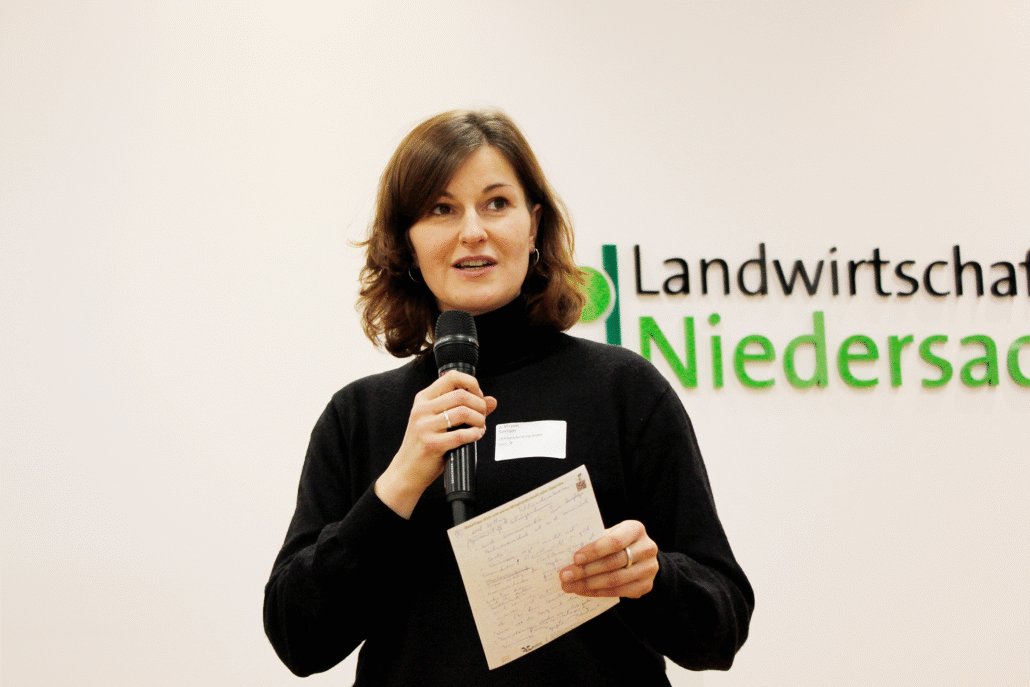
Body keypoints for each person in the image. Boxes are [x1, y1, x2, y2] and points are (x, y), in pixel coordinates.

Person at [263, 109, 754, 686]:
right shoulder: (359, 416)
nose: (473, 231)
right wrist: (399, 482)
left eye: (496, 203)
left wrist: (656, 578)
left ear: (533, 224)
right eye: (441, 209)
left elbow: (722, 627)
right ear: (407, 243)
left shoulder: (622, 388)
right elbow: (299, 640)